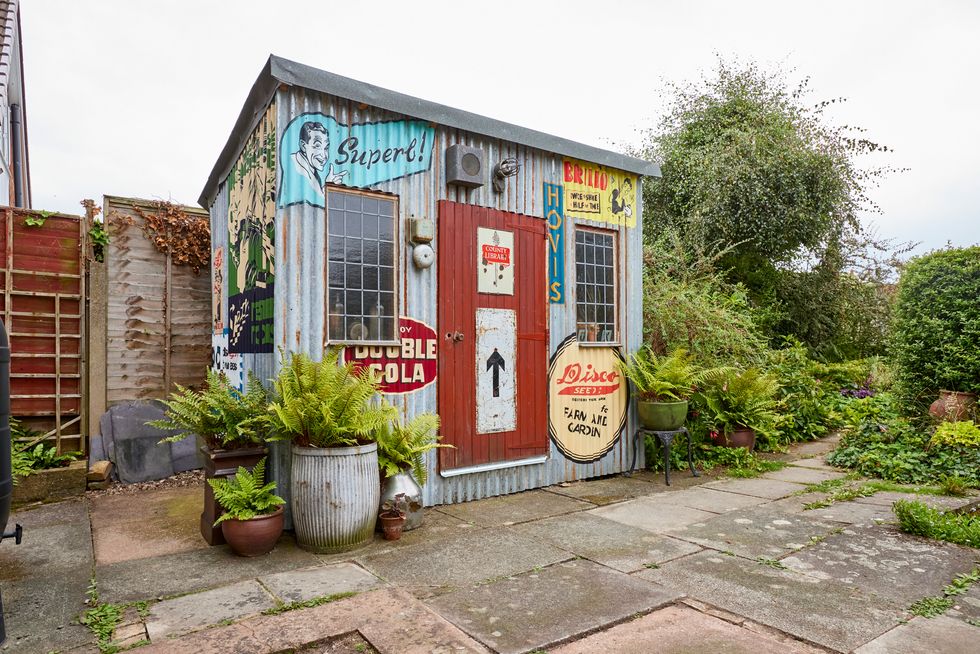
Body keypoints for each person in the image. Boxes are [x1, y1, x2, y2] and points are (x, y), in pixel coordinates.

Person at [290, 121, 348, 199]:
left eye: (326, 148)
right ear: (303, 146)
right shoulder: (295, 168)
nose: (324, 155)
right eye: (317, 146)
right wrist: (328, 187)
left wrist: (328, 185)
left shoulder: (312, 172)